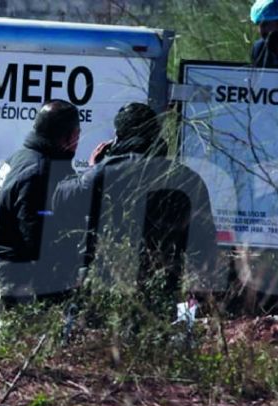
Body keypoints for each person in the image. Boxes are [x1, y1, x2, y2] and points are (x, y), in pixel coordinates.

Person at [54, 103, 217, 314]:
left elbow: (61, 199)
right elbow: (203, 243)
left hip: (106, 289)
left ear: (118, 138)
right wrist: (196, 299)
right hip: (163, 289)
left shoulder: (105, 173)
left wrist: (93, 169)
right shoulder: (188, 179)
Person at [0, 100, 82, 303]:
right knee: (28, 335)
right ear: (70, 136)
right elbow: (37, 237)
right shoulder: (40, 171)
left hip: (10, 274)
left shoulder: (19, 158)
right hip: (26, 284)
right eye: (77, 134)